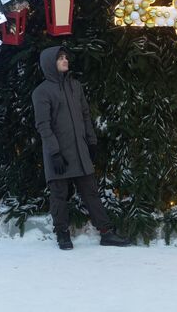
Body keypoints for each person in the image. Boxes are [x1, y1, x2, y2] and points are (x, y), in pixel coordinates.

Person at [32, 45, 131, 250]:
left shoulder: (75, 86)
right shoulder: (41, 92)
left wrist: (92, 142)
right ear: (50, 63)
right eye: (60, 58)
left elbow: (85, 115)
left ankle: (106, 232)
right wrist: (54, 152)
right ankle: (62, 234)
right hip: (58, 153)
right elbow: (43, 125)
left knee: (91, 192)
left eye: (66, 57)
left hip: (80, 150)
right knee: (59, 195)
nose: (65, 60)